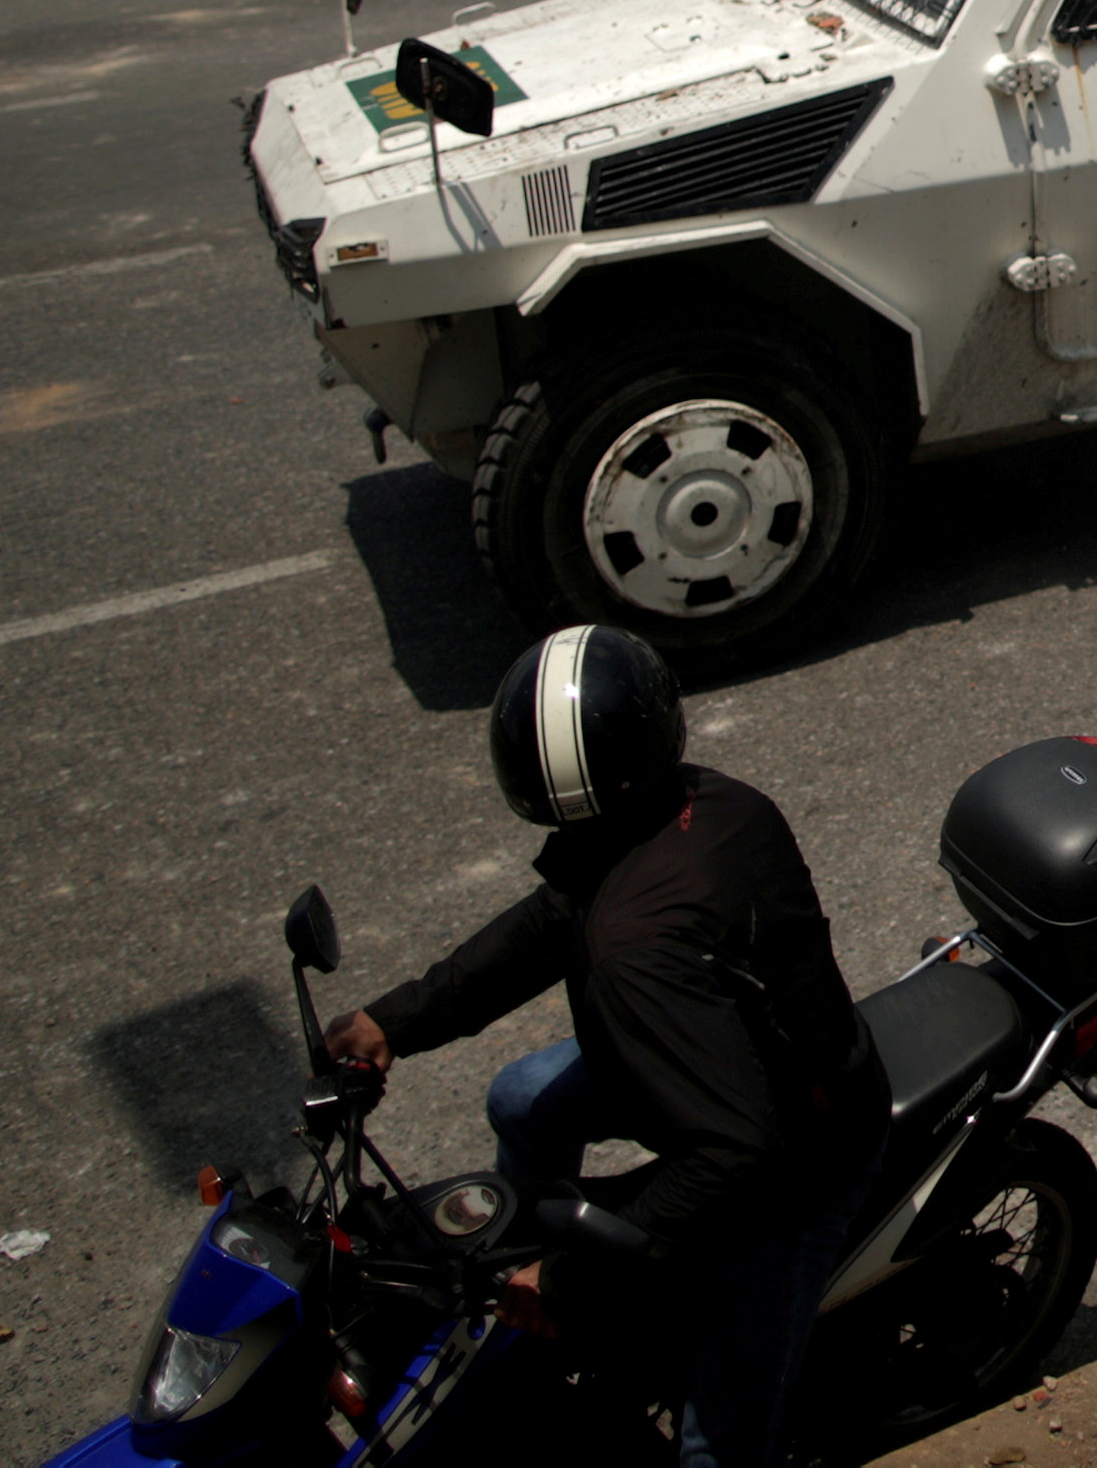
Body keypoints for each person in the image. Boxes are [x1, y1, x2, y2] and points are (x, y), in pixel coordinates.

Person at [323, 625, 882, 1468]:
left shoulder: (632, 954)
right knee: (522, 1095)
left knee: (713, 1446)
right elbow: (547, 920)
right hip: (713, 1054)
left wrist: (569, 1281)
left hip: (794, 1159)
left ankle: (564, 1300)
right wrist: (394, 1020)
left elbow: (738, 1153)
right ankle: (536, 1287)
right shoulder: (704, 801)